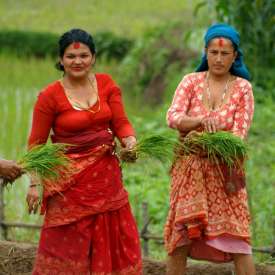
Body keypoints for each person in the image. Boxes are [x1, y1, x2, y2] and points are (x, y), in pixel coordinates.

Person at [26, 28, 142, 274]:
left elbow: (120, 123)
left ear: (93, 58)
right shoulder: (49, 96)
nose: (77, 61)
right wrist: (35, 184)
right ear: (60, 60)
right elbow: (36, 145)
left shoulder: (106, 84)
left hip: (106, 180)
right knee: (67, 250)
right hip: (69, 185)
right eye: (70, 56)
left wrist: (130, 141)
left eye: (83, 55)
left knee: (111, 239)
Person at [164, 23, 256, 275]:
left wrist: (200, 140)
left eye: (225, 53)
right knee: (181, 237)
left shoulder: (243, 89)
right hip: (190, 174)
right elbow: (172, 117)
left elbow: (239, 136)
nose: (218, 58)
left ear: (235, 55)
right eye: (213, 52)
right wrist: (198, 122)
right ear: (205, 52)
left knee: (238, 239)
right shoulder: (190, 82)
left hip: (226, 175)